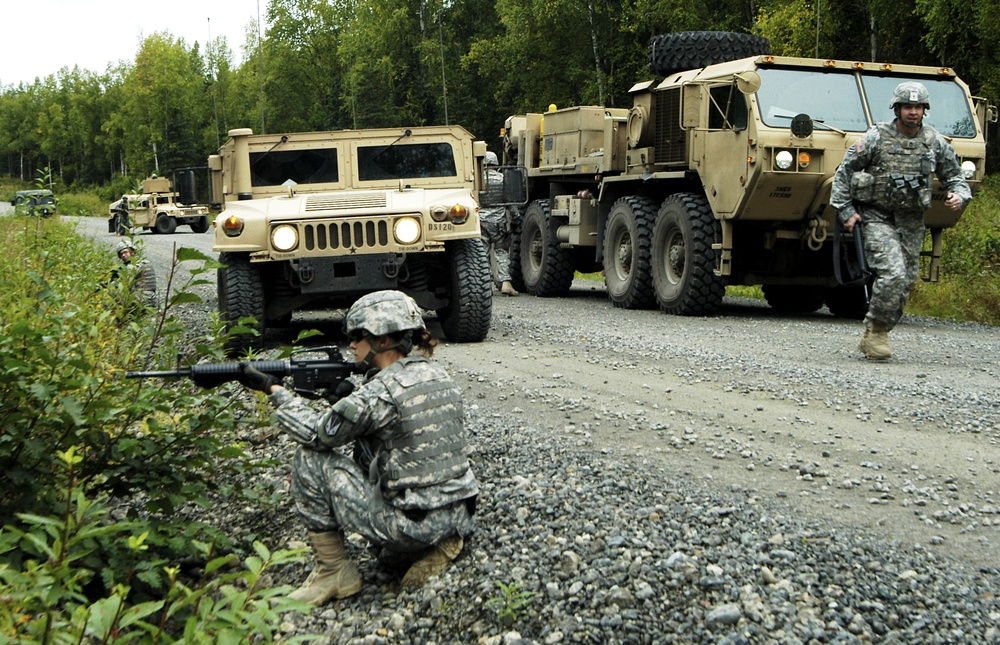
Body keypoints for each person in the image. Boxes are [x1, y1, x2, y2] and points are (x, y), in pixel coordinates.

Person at [238, 290, 479, 606]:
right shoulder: (439, 374)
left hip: (411, 524)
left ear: (381, 341)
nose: (351, 344)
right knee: (368, 447)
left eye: (358, 336)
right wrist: (342, 398)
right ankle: (436, 544)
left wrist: (275, 391)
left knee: (309, 459)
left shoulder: (378, 393)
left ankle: (334, 571)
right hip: (460, 513)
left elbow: (316, 434)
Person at [830, 81, 971, 360]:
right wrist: (846, 211)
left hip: (912, 221)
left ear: (924, 111)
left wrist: (959, 195)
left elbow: (955, 176)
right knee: (893, 273)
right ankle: (878, 332)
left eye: (918, 107)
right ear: (897, 109)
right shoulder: (876, 138)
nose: (913, 112)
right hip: (878, 217)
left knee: (905, 281)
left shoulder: (933, 142)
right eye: (908, 106)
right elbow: (844, 172)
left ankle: (875, 332)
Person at [481, 151, 518, 296]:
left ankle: (485, 285)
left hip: (480, 222)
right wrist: (516, 218)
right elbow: (511, 203)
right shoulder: (504, 179)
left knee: (482, 254)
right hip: (499, 223)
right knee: (501, 252)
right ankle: (506, 283)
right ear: (496, 164)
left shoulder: (477, 180)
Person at [109, 240, 158, 309]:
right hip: (151, 299)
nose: (123, 255)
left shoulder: (138, 265)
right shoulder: (144, 262)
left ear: (132, 252)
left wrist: (108, 286)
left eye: (125, 252)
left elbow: (122, 280)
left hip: (141, 299)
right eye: (121, 254)